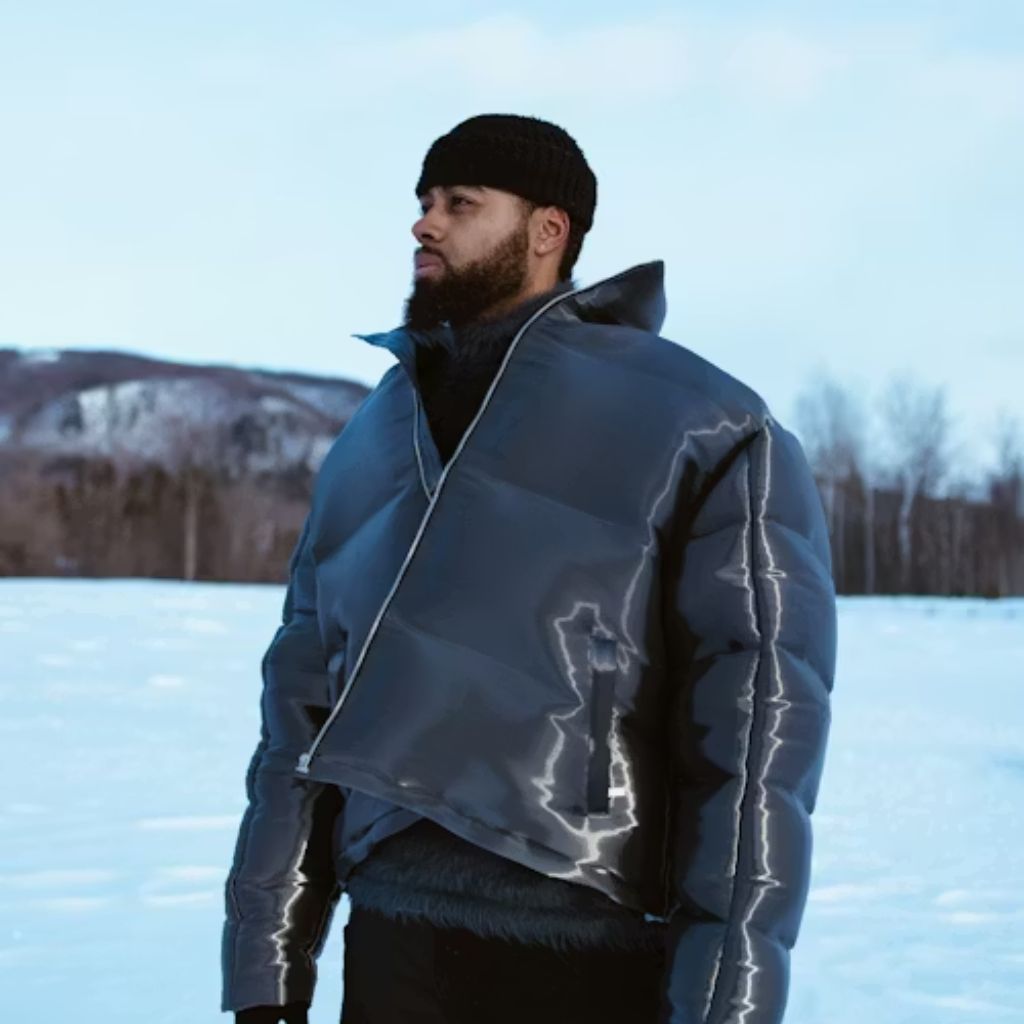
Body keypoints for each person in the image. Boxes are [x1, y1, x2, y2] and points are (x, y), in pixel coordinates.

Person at [221, 114, 838, 1024]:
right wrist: (267, 979)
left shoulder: (698, 420)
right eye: (424, 202)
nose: (424, 224)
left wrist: (724, 1002)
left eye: (459, 203)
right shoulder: (368, 441)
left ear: (549, 230)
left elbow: (754, 744)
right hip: (393, 945)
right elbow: (299, 721)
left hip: (596, 946)